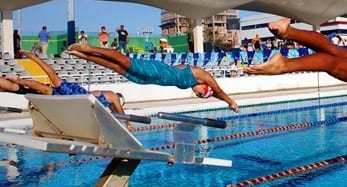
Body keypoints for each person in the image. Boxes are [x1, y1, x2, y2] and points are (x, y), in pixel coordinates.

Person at [68, 44, 239, 113]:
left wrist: (224, 100)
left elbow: (214, 93)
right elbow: (218, 91)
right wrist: (230, 101)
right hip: (159, 72)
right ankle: (89, 48)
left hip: (152, 79)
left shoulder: (196, 83)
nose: (197, 94)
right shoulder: (202, 75)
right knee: (123, 60)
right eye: (201, 95)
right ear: (205, 87)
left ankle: (83, 55)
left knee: (116, 67)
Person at [9, 50, 135, 130]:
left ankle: (19, 80)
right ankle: (34, 59)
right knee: (53, 79)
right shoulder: (113, 96)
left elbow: (113, 114)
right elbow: (121, 113)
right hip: (78, 96)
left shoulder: (106, 101)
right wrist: (128, 124)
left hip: (76, 98)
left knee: (45, 90)